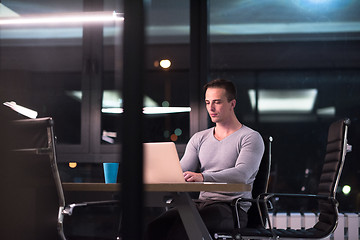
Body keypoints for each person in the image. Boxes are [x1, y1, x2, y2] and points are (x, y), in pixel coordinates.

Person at [145, 78, 264, 240]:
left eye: (217, 102)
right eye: (207, 102)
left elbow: (241, 174)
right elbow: (180, 171)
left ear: (232, 104)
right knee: (154, 229)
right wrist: (160, 174)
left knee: (182, 230)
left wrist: (203, 177)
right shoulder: (199, 138)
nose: (211, 108)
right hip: (199, 204)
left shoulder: (250, 137)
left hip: (231, 208)